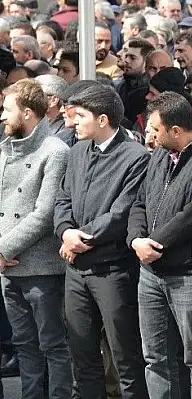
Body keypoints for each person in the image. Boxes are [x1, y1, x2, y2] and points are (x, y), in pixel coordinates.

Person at [54, 84, 149, 398]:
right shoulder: (78, 150)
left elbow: (123, 212)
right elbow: (63, 199)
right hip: (76, 268)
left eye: (81, 116)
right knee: (82, 356)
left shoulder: (135, 156)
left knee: (126, 357)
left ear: (103, 119)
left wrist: (82, 238)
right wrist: (66, 231)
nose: (73, 122)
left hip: (113, 270)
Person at [127, 92, 192, 398]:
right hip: (149, 271)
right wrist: (136, 240)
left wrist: (155, 243)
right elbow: (140, 202)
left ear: (176, 131)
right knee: (155, 357)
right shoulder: (160, 154)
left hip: (187, 274)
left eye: (155, 129)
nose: (150, 136)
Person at [0, 79, 72, 398]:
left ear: (28, 113)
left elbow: (44, 214)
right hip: (7, 267)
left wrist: (2, 249)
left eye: (7, 109)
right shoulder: (4, 149)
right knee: (24, 346)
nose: (2, 116)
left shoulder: (55, 151)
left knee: (53, 345)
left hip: (41, 268)